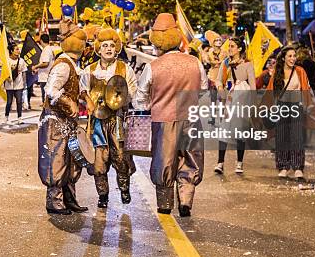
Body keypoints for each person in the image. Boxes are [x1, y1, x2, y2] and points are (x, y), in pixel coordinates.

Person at [135, 13, 208, 217]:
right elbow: (203, 93)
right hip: (191, 119)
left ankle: (165, 204)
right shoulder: (195, 63)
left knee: (164, 161)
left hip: (163, 120)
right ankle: (185, 202)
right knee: (191, 159)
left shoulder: (152, 67)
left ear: (157, 42)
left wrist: (151, 104)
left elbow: (139, 99)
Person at [38, 19, 90, 215]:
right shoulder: (63, 65)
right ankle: (54, 201)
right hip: (55, 120)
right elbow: (50, 89)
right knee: (57, 158)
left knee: (72, 159)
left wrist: (86, 99)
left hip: (67, 121)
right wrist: (68, 102)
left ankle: (69, 199)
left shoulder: (72, 65)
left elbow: (78, 87)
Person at [80, 28, 137, 208]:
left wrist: (121, 99)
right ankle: (103, 195)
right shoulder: (89, 70)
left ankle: (124, 188)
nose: (108, 49)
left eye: (112, 45)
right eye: (104, 45)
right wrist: (87, 100)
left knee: (121, 157)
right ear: (98, 48)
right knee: (99, 159)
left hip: (118, 119)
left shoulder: (125, 69)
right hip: (97, 122)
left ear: (117, 48)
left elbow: (133, 91)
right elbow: (82, 92)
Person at [265, 46, 315, 179]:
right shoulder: (277, 72)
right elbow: (271, 91)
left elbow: (306, 88)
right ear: (284, 58)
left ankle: (298, 167)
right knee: (282, 137)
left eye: (294, 56)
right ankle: (283, 166)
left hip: (297, 107)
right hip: (281, 108)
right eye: (290, 56)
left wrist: (308, 104)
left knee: (297, 137)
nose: (293, 58)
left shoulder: (300, 71)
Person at [214, 37, 255, 175]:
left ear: (240, 49)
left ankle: (239, 163)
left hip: (242, 99)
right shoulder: (225, 63)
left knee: (240, 131)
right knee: (224, 130)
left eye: (232, 46)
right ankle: (220, 162)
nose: (229, 48)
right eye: (229, 46)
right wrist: (221, 90)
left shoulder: (248, 64)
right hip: (228, 99)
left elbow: (253, 85)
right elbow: (218, 80)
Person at [4, 42, 28, 127]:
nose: (18, 51)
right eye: (16, 49)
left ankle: (19, 118)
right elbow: (3, 72)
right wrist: (6, 78)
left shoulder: (21, 61)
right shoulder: (7, 61)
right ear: (11, 51)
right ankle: (6, 117)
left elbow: (24, 72)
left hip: (19, 84)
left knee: (19, 101)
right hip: (9, 84)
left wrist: (25, 83)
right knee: (9, 102)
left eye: (18, 49)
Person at [33, 34, 60, 105]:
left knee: (46, 99)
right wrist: (38, 70)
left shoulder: (46, 50)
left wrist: (36, 66)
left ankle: (46, 112)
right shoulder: (50, 49)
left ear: (41, 41)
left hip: (45, 77)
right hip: (47, 76)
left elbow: (46, 63)